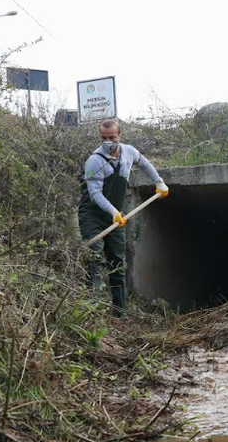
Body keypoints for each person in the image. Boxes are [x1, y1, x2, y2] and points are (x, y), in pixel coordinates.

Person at [78, 119, 169, 316]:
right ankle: (89, 311)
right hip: (93, 215)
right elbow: (95, 194)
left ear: (120, 136)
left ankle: (120, 312)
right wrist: (113, 212)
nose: (108, 142)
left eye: (112, 138)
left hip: (116, 216)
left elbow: (143, 163)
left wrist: (159, 182)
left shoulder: (129, 151)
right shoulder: (94, 161)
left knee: (117, 261)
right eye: (103, 138)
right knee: (94, 257)